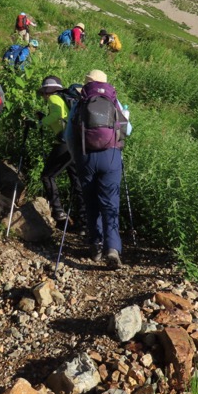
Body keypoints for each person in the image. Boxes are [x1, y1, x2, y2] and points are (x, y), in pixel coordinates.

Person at [65, 69, 131, 270]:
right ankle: (112, 248)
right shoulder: (113, 102)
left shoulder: (80, 103)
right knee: (110, 202)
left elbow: (68, 135)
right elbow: (127, 130)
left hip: (86, 156)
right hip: (111, 157)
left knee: (91, 201)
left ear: (87, 84)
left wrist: (76, 157)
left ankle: (95, 246)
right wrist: (125, 115)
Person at [36, 76, 86, 230]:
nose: (44, 97)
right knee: (76, 181)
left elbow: (57, 115)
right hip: (76, 143)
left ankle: (58, 212)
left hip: (64, 144)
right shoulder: (67, 98)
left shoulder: (54, 98)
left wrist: (40, 123)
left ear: (47, 91)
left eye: (43, 93)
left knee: (47, 176)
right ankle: (83, 223)